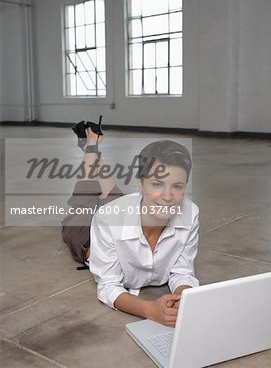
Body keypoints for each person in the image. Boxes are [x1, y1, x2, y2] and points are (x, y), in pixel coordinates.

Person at [62, 124, 199, 327]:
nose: (169, 196)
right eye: (158, 184)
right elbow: (109, 286)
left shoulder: (190, 213)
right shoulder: (107, 219)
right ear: (140, 184)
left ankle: (94, 153)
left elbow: (182, 272)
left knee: (112, 194)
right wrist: (149, 309)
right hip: (87, 236)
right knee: (85, 195)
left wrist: (185, 299)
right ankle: (91, 147)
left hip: (132, 209)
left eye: (177, 186)